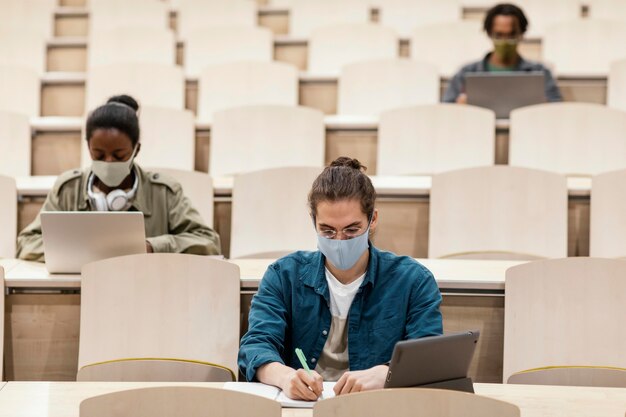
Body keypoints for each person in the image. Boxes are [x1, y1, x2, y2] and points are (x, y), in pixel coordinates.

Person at [238, 157, 442, 400]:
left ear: (373, 220)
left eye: (352, 230)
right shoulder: (283, 276)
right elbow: (255, 346)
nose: (339, 240)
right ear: (313, 221)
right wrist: (284, 376)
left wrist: (385, 373)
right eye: (327, 230)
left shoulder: (413, 281)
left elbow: (428, 356)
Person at [16, 95, 221, 261]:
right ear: (88, 147)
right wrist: (81, 251)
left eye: (119, 155)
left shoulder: (163, 191)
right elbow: (27, 242)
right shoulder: (68, 188)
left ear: (136, 150)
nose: (108, 161)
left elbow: (208, 242)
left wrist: (151, 247)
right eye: (99, 154)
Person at [443, 3, 562, 104]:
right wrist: (459, 107)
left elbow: (557, 111)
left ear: (522, 33)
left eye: (511, 35)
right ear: (489, 33)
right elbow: (446, 111)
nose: (505, 41)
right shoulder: (466, 73)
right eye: (499, 35)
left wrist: (545, 105)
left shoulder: (540, 73)